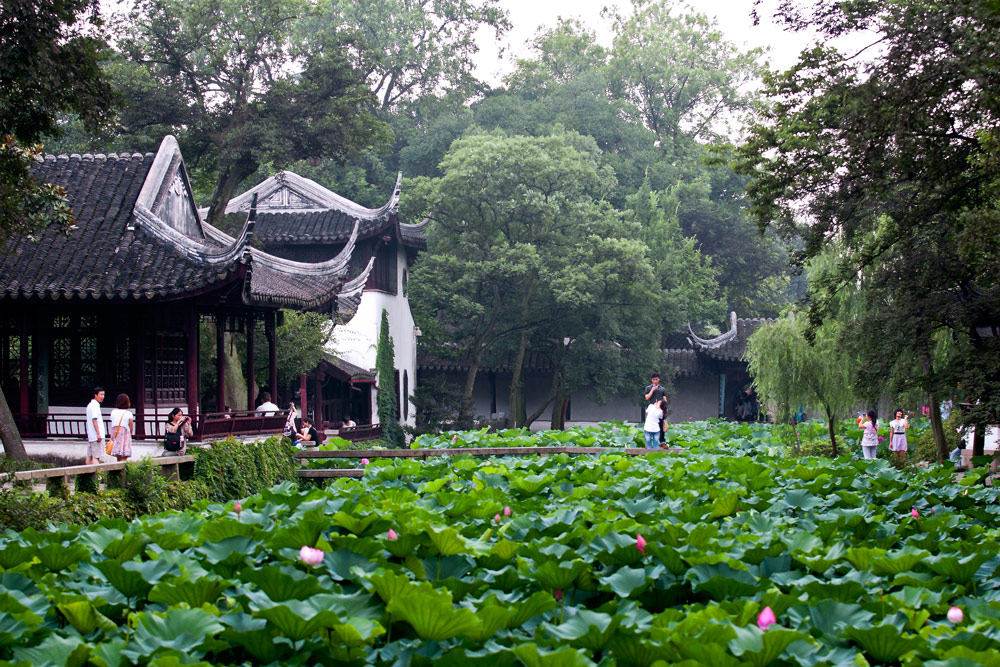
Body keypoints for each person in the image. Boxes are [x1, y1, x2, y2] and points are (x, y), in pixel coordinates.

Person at [108, 393, 134, 462]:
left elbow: (112, 421)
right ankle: (123, 471)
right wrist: (131, 433)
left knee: (118, 455)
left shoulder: (113, 412)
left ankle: (118, 471)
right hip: (125, 435)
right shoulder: (128, 413)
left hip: (115, 434)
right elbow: (131, 427)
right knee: (124, 455)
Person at [85, 386, 106, 464]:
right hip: (96, 436)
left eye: (103, 395)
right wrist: (98, 433)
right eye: (101, 395)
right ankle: (97, 475)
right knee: (96, 457)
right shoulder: (95, 405)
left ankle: (87, 474)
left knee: (90, 455)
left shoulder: (90, 405)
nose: (103, 397)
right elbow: (94, 419)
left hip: (92, 435)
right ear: (95, 395)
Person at [644, 373, 667, 443]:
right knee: (650, 425)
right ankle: (648, 442)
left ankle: (662, 441)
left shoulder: (662, 389)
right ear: (651, 380)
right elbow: (647, 397)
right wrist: (652, 390)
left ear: (659, 379)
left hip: (660, 409)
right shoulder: (648, 388)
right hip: (652, 409)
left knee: (661, 425)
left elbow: (664, 398)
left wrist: (665, 405)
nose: (655, 381)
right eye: (654, 379)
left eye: (656, 379)